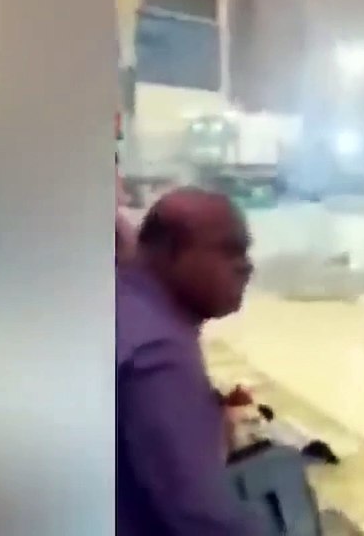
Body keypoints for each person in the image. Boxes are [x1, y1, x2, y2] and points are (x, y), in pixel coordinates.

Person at [117, 188, 257, 536]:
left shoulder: (121, 303)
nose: (246, 266)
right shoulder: (159, 351)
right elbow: (202, 518)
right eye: (229, 250)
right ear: (168, 253)